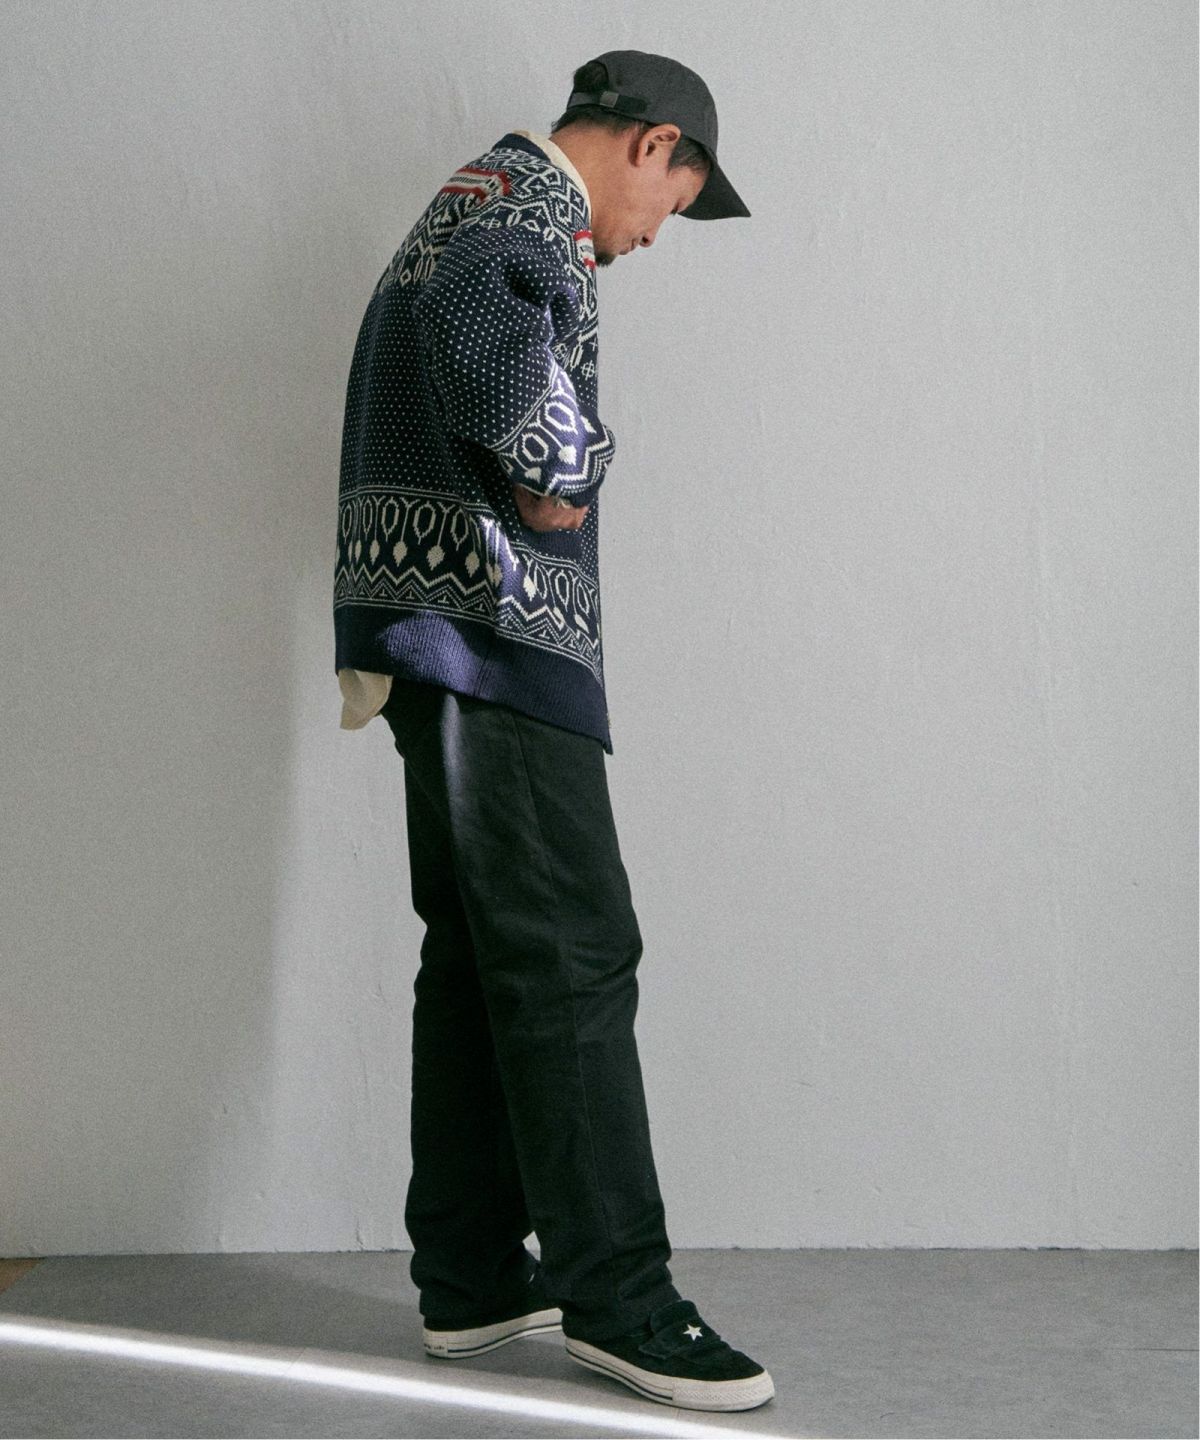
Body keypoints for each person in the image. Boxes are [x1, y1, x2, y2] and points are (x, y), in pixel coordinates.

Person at [333, 49, 773, 1414]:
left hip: (438, 634)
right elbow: (491, 353)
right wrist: (568, 465)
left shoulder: (482, 201)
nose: (656, 237)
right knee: (577, 953)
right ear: (652, 145)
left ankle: (471, 1278)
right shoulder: (522, 214)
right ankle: (623, 1302)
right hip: (491, 639)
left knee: (483, 960)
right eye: (675, 202)